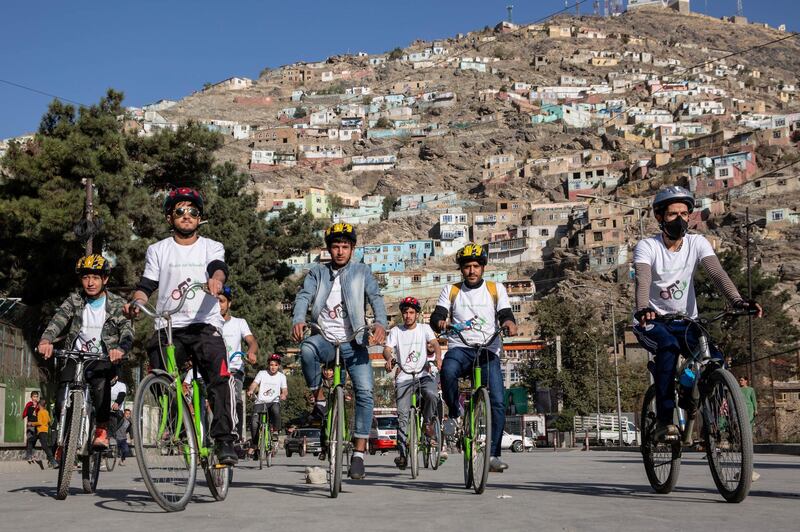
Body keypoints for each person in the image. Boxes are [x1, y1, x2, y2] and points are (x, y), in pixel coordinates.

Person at [633, 186, 762, 441]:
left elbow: (717, 274)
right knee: (668, 348)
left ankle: (712, 424)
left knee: (714, 360)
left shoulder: (697, 243)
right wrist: (643, 309)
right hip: (653, 321)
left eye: (684, 213)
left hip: (686, 321)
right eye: (672, 214)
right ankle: (663, 421)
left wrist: (737, 300)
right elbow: (643, 279)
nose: (679, 219)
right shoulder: (648, 246)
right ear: (659, 217)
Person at [124, 187, 239, 465]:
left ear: (200, 217)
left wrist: (217, 280)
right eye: (180, 211)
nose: (187, 216)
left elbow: (218, 267)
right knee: (159, 368)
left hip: (203, 325)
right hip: (169, 325)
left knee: (219, 376)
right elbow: (146, 285)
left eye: (193, 211)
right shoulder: (157, 250)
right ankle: (181, 423)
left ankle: (224, 440)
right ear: (169, 218)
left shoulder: (211, 246)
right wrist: (136, 302)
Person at [291, 222, 387, 480]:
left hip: (354, 341)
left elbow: (376, 298)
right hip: (324, 337)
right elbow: (303, 297)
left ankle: (358, 454)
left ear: (352, 248)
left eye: (345, 246)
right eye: (335, 247)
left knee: (365, 392)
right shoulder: (317, 273)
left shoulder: (361, 271)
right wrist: (298, 318)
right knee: (307, 349)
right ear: (328, 249)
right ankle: (320, 398)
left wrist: (380, 323)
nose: (340, 251)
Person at [430, 243, 517, 473]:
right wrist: (439, 321)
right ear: (461, 269)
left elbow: (506, 315)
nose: (471, 271)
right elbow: (437, 314)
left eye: (476, 266)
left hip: (487, 350)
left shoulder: (495, 288)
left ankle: (494, 455)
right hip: (460, 348)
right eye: (467, 266)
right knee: (447, 372)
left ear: (483, 268)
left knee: (498, 400)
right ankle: (456, 413)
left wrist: (509, 324)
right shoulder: (451, 290)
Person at [38, 254, 132, 449]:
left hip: (103, 356)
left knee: (100, 387)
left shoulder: (116, 303)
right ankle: (65, 435)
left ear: (105, 279)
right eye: (86, 277)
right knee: (62, 394)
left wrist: (120, 349)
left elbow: (127, 330)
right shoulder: (75, 300)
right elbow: (59, 320)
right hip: (76, 355)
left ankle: (101, 430)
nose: (90, 282)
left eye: (96, 278)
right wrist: (46, 340)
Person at [382, 296, 442, 470]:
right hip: (404, 377)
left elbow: (435, 344)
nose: (408, 316)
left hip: (423, 374)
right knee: (402, 416)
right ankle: (402, 454)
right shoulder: (395, 331)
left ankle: (428, 424)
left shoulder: (425, 329)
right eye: (405, 313)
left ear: (417, 314)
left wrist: (438, 358)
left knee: (431, 395)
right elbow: (387, 349)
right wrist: (389, 359)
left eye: (411, 312)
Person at [218, 286, 258, 442]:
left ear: (229, 303)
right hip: (215, 369)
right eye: (215, 302)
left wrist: (251, 351)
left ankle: (236, 436)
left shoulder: (239, 323)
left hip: (234, 369)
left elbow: (252, 341)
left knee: (235, 398)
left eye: (221, 301)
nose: (218, 305)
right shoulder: (209, 324)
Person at [247, 354, 287, 457]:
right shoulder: (262, 373)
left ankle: (275, 432)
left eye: (275, 365)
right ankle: (255, 444)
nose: (273, 367)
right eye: (271, 365)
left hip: (274, 401)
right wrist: (251, 390)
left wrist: (283, 394)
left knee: (276, 410)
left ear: (279, 366)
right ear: (268, 365)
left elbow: (285, 390)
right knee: (254, 423)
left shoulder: (282, 376)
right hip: (260, 401)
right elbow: (254, 384)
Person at [32, 399, 58, 468]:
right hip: (45, 431)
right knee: (32, 440)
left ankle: (53, 461)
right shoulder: (46, 412)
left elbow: (39, 423)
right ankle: (32, 454)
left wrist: (32, 423)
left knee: (45, 446)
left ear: (39, 405)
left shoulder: (40, 412)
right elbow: (49, 421)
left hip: (41, 431)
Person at [23, 391, 40, 462]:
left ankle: (33, 455)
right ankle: (28, 456)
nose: (35, 398)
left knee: (34, 440)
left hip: (37, 425)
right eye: (34, 396)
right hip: (30, 425)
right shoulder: (29, 405)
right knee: (30, 440)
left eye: (36, 396)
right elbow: (25, 413)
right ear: (31, 397)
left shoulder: (39, 406)